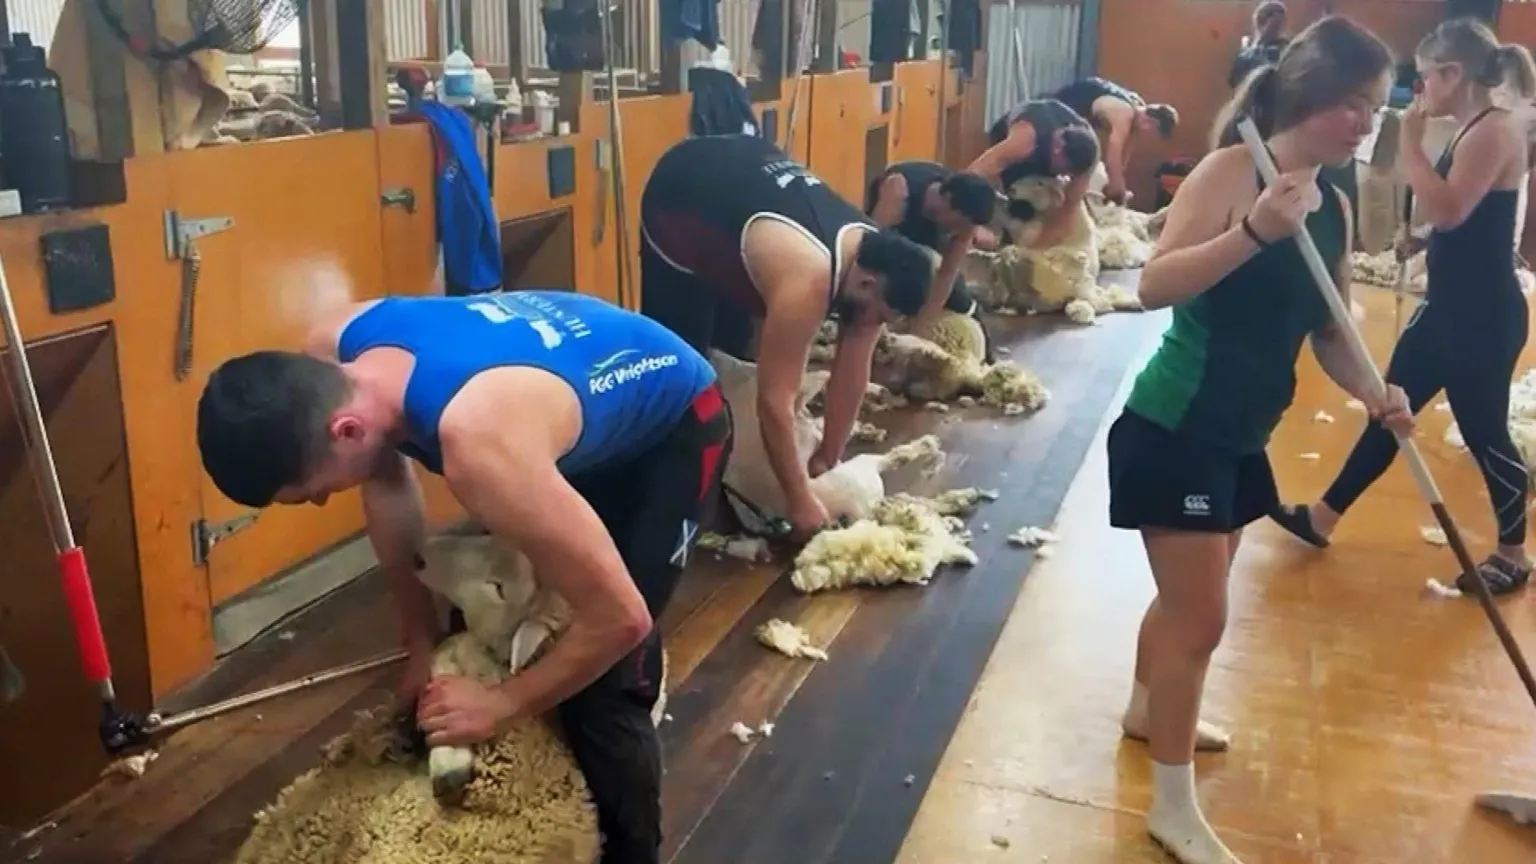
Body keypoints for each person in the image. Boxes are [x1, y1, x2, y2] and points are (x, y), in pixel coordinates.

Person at [195, 289, 733, 864]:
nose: (324, 501)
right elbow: (385, 481)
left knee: (607, 684)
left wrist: (501, 705)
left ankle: (633, 853)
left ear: (346, 430)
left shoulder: (478, 444)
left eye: (312, 492)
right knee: (487, 628)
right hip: (568, 377)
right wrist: (420, 640)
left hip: (675, 421)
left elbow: (621, 619)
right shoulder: (334, 351)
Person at [1104, 17, 1408, 864]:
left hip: (1240, 435)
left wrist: (1375, 391)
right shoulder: (1233, 173)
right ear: (1310, 95)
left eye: (1376, 106)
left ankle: (1146, 710)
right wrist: (1253, 234)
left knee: (1186, 604)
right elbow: (1154, 283)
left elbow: (1331, 326)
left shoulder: (1332, 203)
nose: (1365, 123)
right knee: (1201, 619)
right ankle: (1172, 808)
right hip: (1175, 426)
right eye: (1353, 103)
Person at [1269, 18, 1536, 596]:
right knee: (1389, 408)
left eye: (1427, 77)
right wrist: (1421, 240)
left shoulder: (1493, 130)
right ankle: (1323, 518)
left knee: (1485, 431)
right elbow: (1466, 219)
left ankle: (1514, 553)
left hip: (1483, 316)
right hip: (1447, 309)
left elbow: (1451, 210)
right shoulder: (1473, 130)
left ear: (1452, 74)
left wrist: (1411, 144)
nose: (1421, 91)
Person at [638, 134, 932, 539]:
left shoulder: (876, 258)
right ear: (866, 283)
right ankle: (666, 509)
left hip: (746, 185)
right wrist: (800, 502)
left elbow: (853, 369)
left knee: (734, 346)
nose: (874, 324)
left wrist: (829, 456)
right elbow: (774, 403)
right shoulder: (809, 280)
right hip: (682, 192)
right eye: (878, 315)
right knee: (682, 374)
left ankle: (723, 477)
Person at [865, 160, 999, 355]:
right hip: (892, 245)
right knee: (915, 268)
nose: (958, 232)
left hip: (927, 250)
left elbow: (947, 274)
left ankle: (987, 358)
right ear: (947, 201)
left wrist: (919, 334)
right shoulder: (899, 192)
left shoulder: (965, 218)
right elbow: (869, 247)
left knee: (960, 295)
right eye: (957, 225)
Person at [967, 98, 1101, 248]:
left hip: (1048, 151)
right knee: (999, 204)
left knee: (1054, 206)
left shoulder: (1088, 158)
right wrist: (973, 227)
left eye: (1069, 174)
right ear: (1057, 149)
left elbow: (1067, 212)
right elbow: (973, 176)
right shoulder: (1024, 141)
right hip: (1011, 138)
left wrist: (1035, 251)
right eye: (1063, 170)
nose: (1064, 174)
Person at [1049, 76, 1179, 204]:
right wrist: (1115, 184)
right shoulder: (1124, 115)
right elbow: (1114, 151)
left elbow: (1124, 158)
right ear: (1149, 123)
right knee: (1081, 152)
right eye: (1153, 133)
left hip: (1082, 110)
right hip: (1067, 103)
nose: (1150, 137)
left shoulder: (1137, 116)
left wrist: (1120, 183)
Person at [1229, 1, 1289, 89]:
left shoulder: (1285, 48)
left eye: (1280, 24)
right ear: (1260, 22)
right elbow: (1234, 80)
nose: (1278, 29)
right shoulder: (1246, 52)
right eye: (1275, 24)